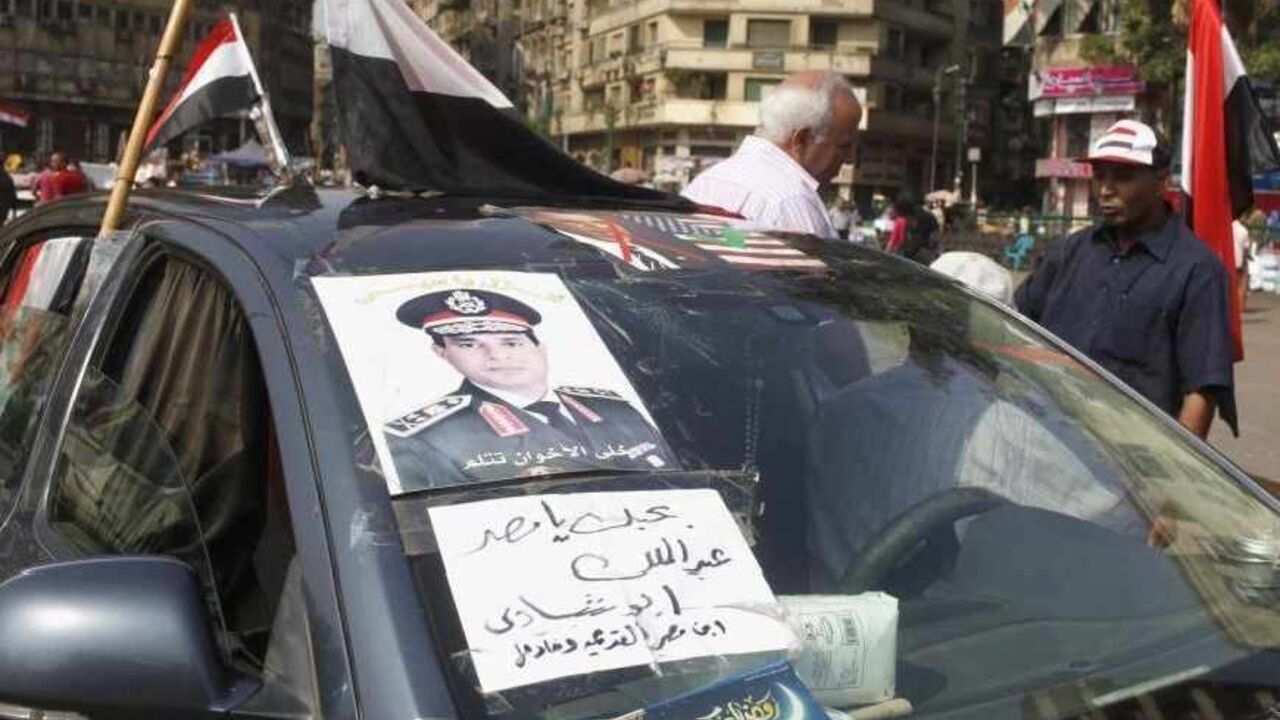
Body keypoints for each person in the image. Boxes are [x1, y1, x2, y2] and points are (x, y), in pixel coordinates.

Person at [1015, 120, 1235, 439]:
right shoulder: (1070, 252)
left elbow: (1201, 392)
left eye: (1123, 177)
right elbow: (1017, 328)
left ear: (1161, 181)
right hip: (1042, 437)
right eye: (1100, 175)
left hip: (1127, 464)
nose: (1106, 189)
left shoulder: (1197, 270)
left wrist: (1172, 479)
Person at [384, 289, 676, 490]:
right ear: (441, 352)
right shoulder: (428, 439)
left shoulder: (616, 408)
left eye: (511, 342)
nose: (497, 356)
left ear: (540, 347)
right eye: (469, 344)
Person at [682, 71, 861, 239]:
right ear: (802, 139)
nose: (850, 159)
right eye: (843, 145)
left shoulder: (706, 181)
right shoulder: (791, 203)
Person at [1233, 216, 1251, 313]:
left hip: (1227, 259)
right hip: (1239, 260)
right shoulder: (1244, 230)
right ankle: (1240, 307)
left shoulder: (1227, 228)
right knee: (1240, 285)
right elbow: (1246, 248)